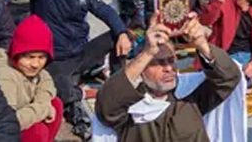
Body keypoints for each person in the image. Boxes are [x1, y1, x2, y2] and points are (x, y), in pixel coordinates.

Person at [24, 0, 133, 139]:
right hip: (57, 60)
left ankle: (119, 84)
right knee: (60, 88)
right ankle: (78, 108)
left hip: (82, 53)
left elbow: (104, 10)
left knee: (122, 35)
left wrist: (120, 32)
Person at [95, 12, 242, 141]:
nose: (168, 68)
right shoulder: (130, 105)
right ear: (142, 68)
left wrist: (201, 43)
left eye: (171, 60)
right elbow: (106, 107)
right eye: (158, 62)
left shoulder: (189, 94)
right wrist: (148, 52)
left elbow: (229, 78)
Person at [0, 15, 63, 142]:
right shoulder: (5, 76)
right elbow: (6, 122)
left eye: (41, 57)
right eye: (29, 57)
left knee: (56, 103)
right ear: (16, 54)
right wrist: (43, 109)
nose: (35, 64)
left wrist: (43, 102)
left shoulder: (37, 72)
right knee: (37, 131)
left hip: (18, 121)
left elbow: (46, 81)